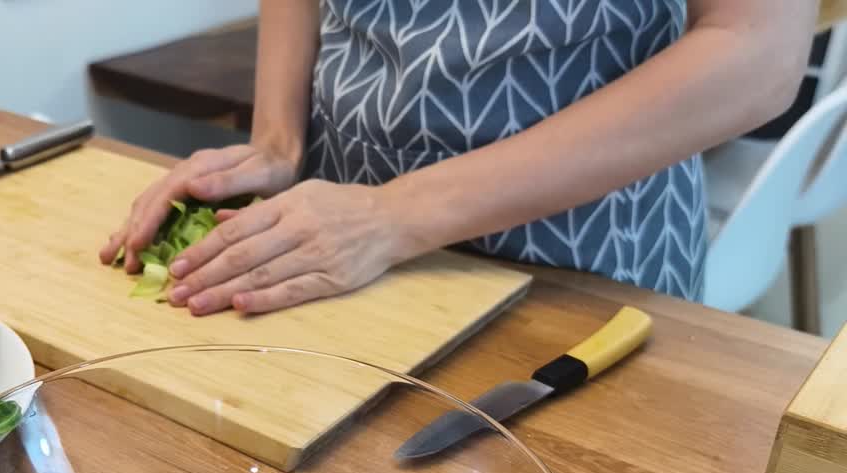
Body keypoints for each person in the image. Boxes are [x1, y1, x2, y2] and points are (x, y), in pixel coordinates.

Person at [101, 1, 817, 316]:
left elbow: (757, 52)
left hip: (585, 256)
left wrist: (394, 215)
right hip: (340, 237)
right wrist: (276, 139)